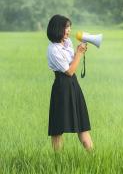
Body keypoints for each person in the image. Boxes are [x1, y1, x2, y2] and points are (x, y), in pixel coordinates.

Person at [46, 14, 93, 151]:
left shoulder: (68, 43)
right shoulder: (53, 49)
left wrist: (79, 52)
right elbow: (69, 71)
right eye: (66, 27)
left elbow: (73, 65)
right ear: (57, 29)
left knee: (82, 124)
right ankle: (58, 162)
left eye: (69, 27)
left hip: (73, 85)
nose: (69, 30)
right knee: (57, 127)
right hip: (61, 87)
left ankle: (94, 158)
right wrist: (79, 53)